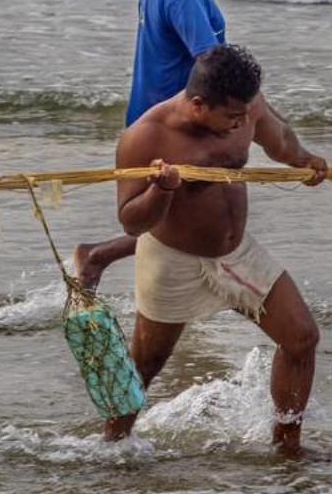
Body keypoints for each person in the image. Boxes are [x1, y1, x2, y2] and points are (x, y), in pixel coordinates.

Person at [110, 44, 326, 454]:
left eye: (247, 113)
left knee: (302, 338)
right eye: (232, 117)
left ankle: (286, 447)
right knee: (146, 364)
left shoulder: (245, 105)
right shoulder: (145, 137)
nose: (244, 121)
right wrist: (162, 190)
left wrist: (304, 160)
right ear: (196, 105)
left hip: (235, 252)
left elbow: (278, 138)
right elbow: (131, 221)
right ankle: (112, 445)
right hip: (171, 258)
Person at [75, 0, 267, 289]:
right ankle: (100, 256)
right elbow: (212, 63)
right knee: (179, 209)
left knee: (173, 207)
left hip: (159, 113)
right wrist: (250, 112)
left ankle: (101, 257)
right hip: (172, 124)